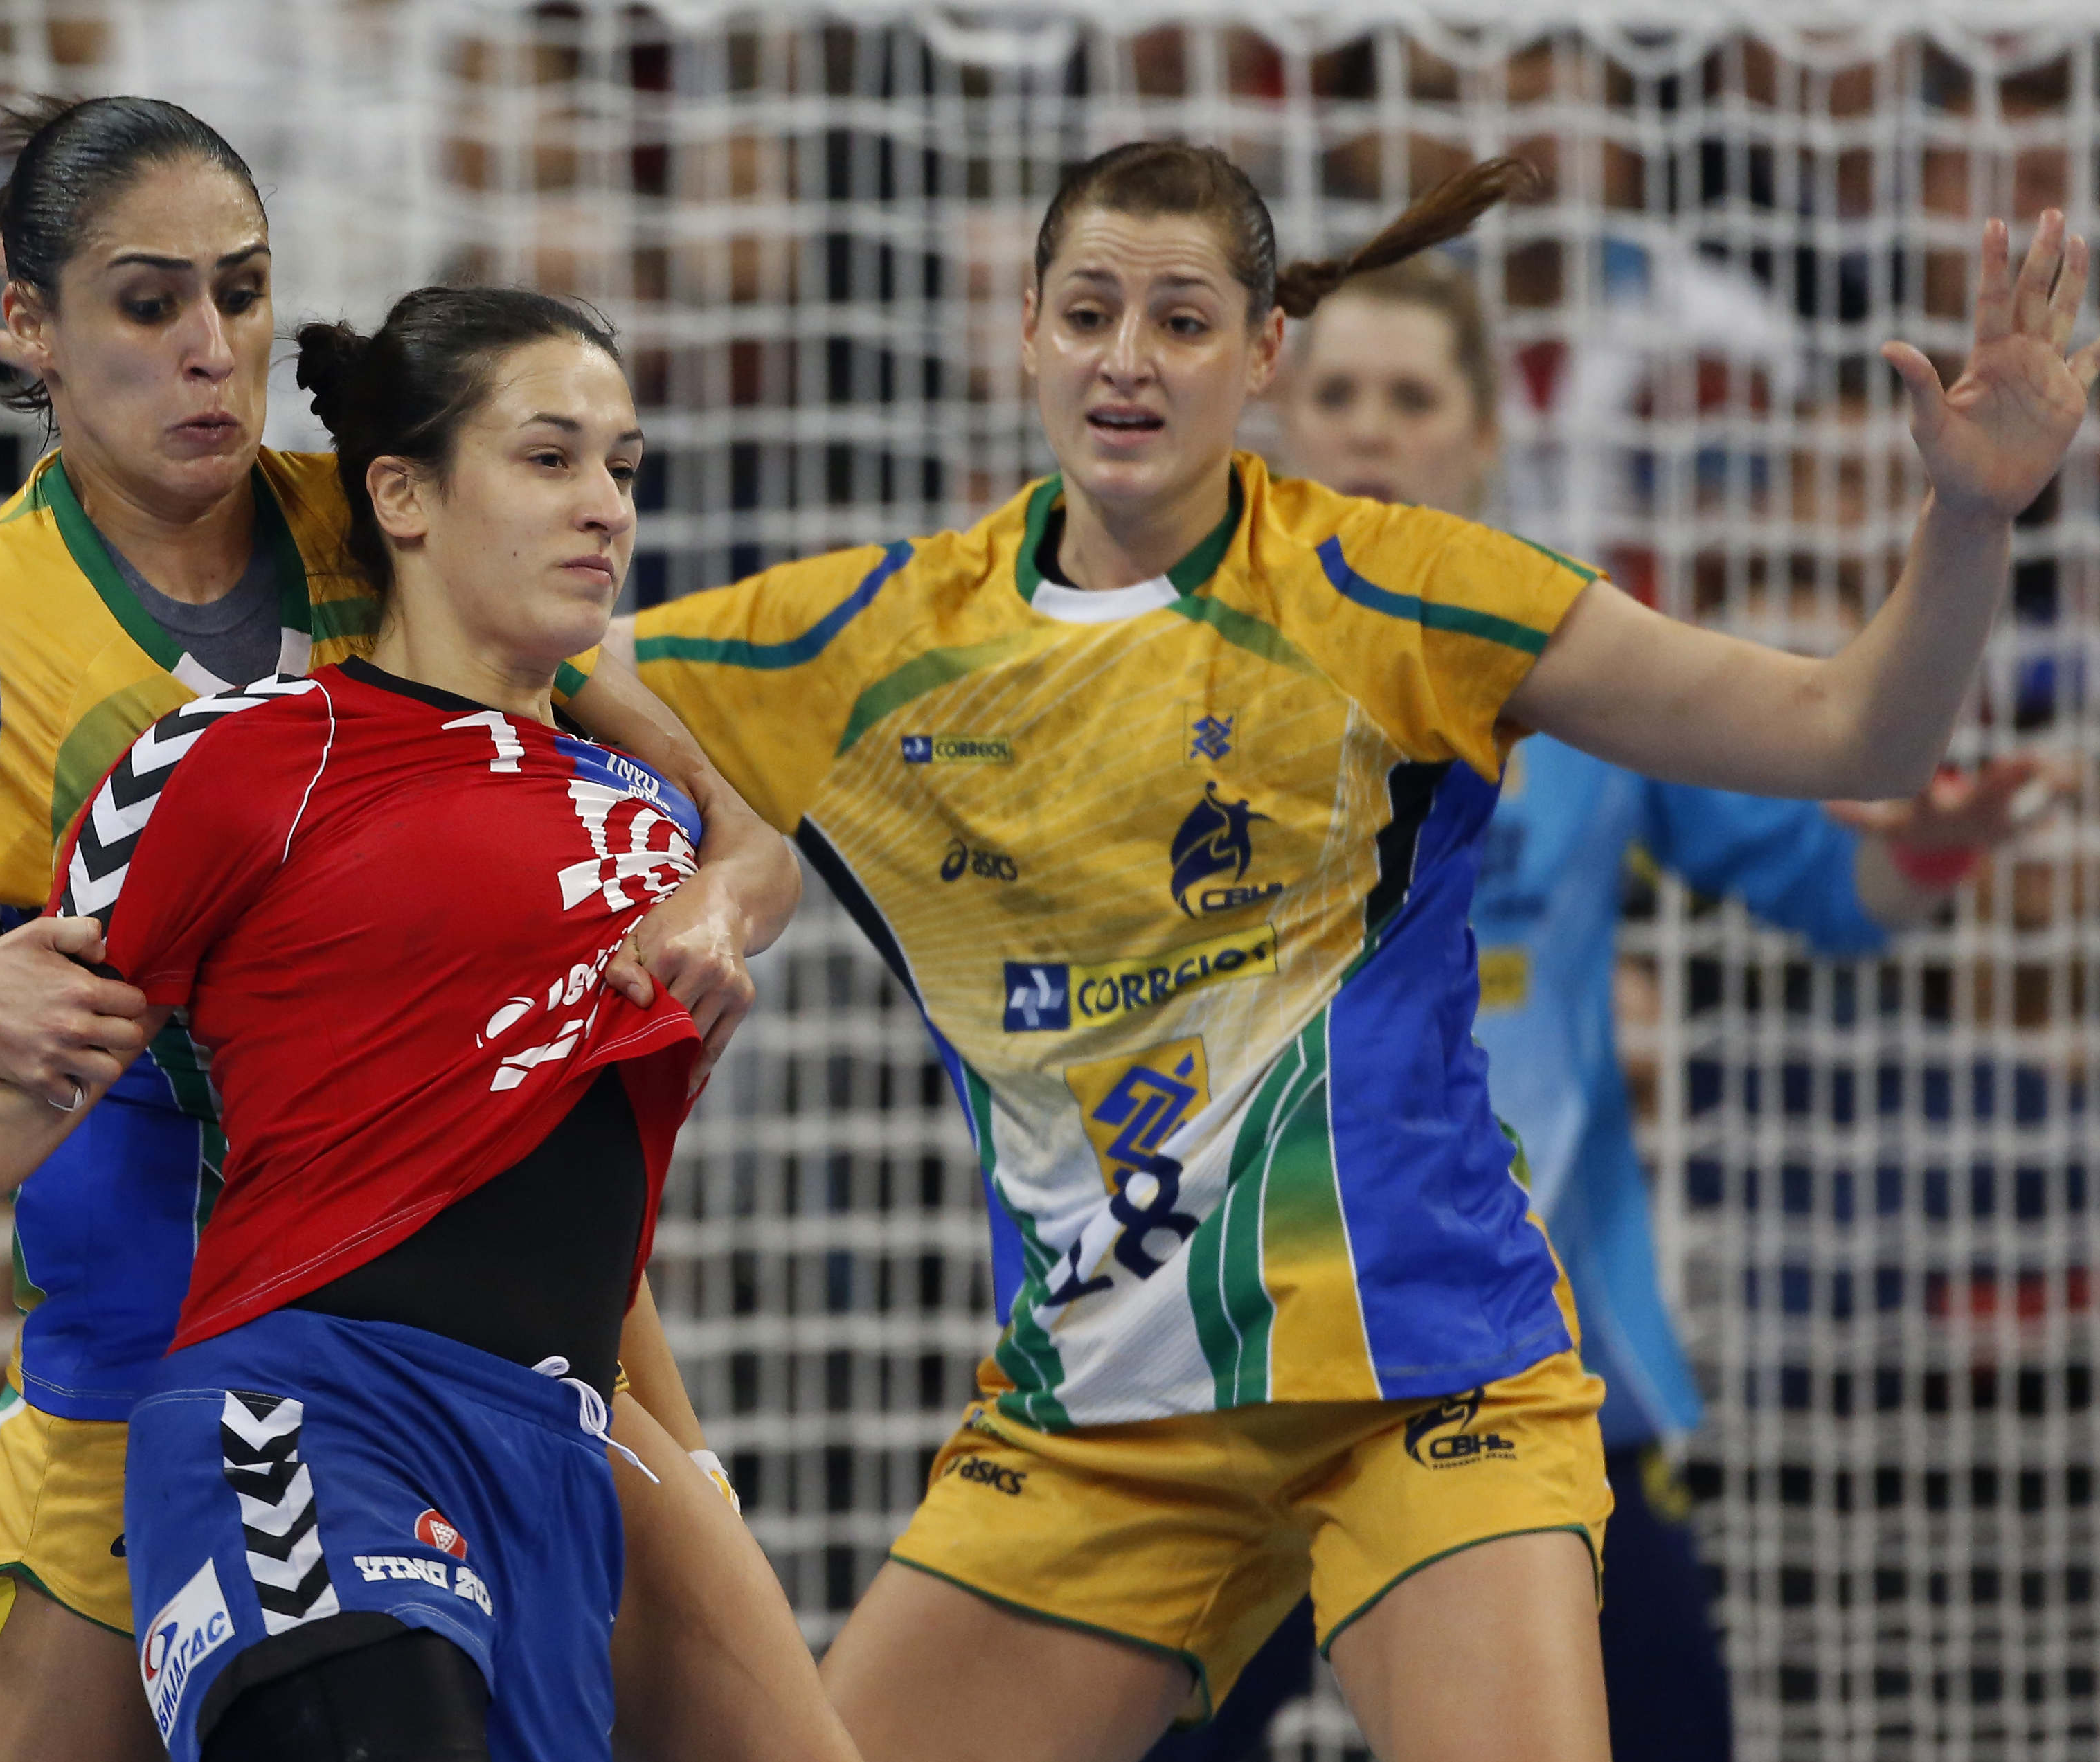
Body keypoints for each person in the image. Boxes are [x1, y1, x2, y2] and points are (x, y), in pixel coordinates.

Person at [604, 141, 2094, 1761]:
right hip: (1105, 1414)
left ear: (1260, 356)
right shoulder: (880, 636)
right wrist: (739, 855)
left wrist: (1965, 515)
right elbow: (555, 668)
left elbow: (1854, 732)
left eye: (1181, 321)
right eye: (1090, 310)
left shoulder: (1396, 590)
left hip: (1428, 1387)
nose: (1125, 358)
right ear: (1024, 327)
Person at [0, 286, 858, 1762]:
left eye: (625, 469)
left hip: (550, 1456)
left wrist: (729, 898)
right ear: (404, 495)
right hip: (309, 1422)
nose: (606, 511)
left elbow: (745, 867)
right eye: (551, 460)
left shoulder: (642, 794)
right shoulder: (240, 761)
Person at [0, 96, 796, 1762]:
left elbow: (697, 796)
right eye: (148, 302)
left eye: (241, 294)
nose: (212, 351)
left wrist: (723, 884)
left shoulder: (361, 513)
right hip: (140, 1369)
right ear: (29, 321)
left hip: (503, 1322)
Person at [1149, 250, 2059, 1762]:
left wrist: (1940, 841)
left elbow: (1838, 888)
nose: (1375, 427)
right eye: (1342, 394)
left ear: (1486, 431)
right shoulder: (1164, 679)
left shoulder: (1575, 669)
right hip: (1237, 1363)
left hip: (1544, 1365)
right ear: (1278, 421)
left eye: (1414, 394)